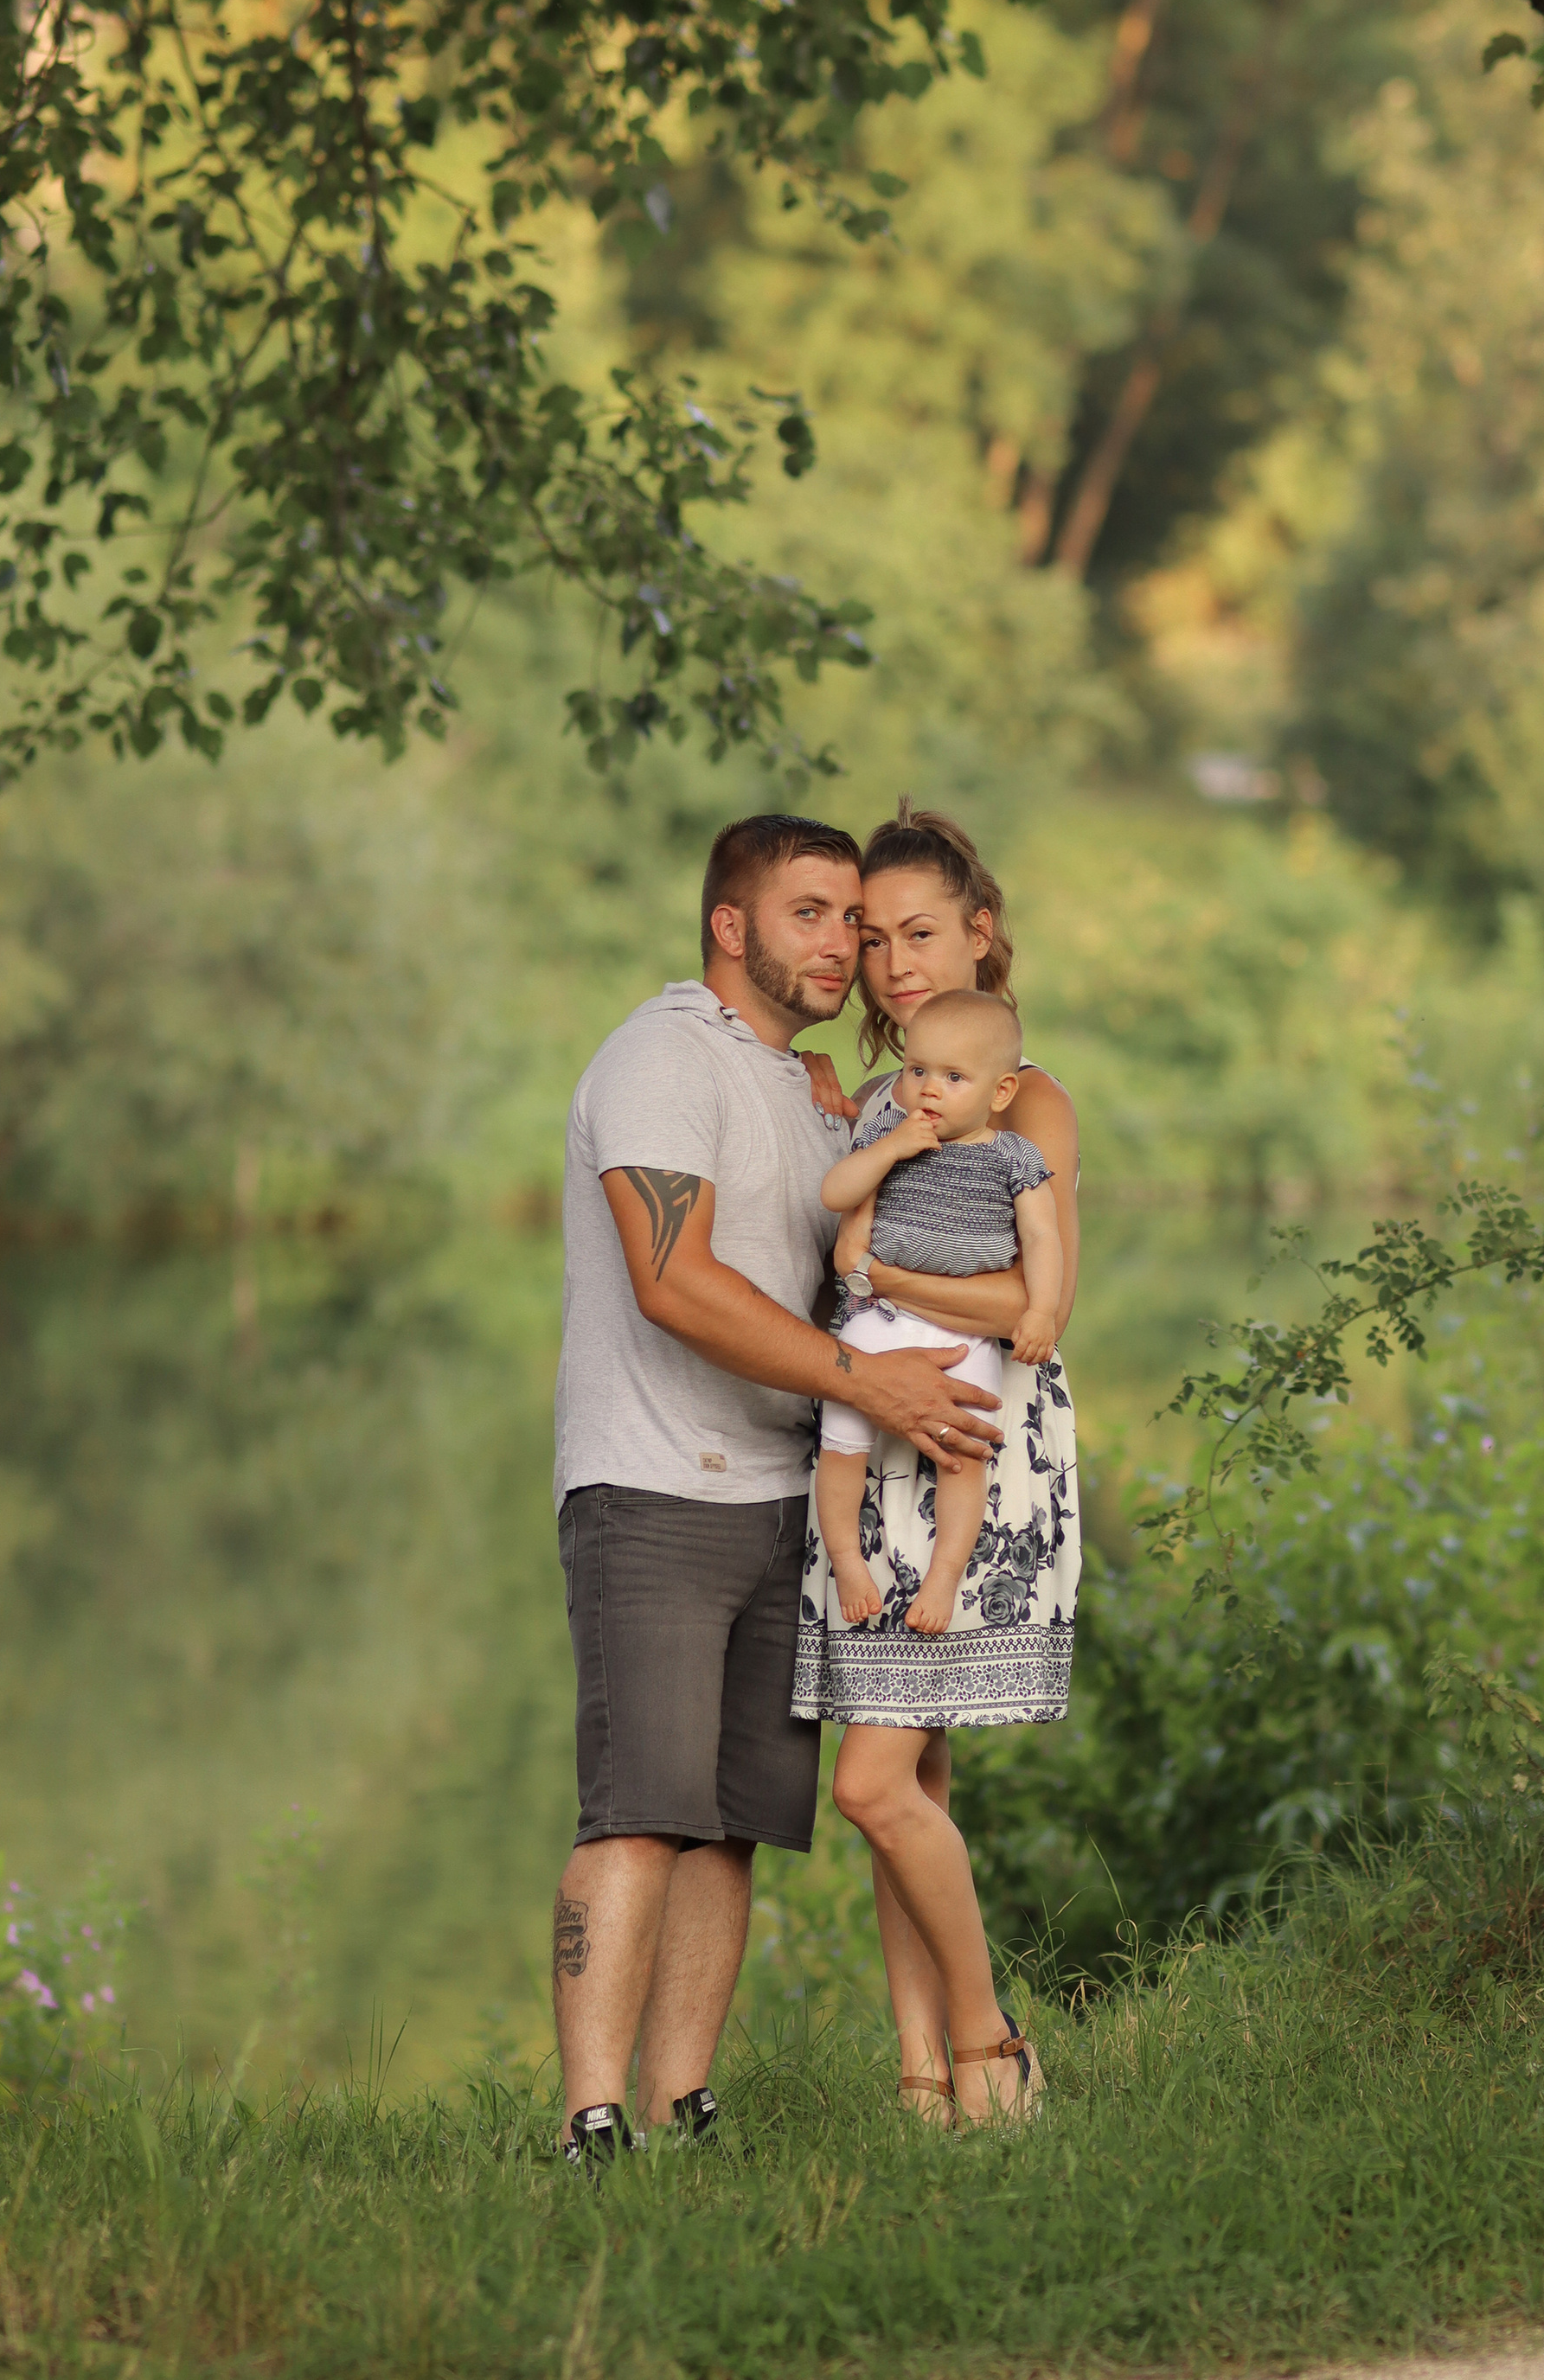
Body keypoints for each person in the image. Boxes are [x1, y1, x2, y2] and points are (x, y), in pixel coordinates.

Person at [548, 813, 1003, 2168]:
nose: (842, 944)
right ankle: (590, 2120)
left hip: (788, 1495)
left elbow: (864, 1250)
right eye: (811, 912)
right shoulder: (657, 1058)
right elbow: (675, 1281)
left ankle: (686, 2109)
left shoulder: (803, 1087)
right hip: (653, 1485)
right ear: (728, 924)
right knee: (641, 1808)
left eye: (854, 920)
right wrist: (872, 1389)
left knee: (733, 1826)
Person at [792, 803, 1082, 2128]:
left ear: (980, 931)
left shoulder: (1030, 1102)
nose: (895, 961)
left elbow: (1032, 1297)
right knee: (910, 1781)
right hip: (871, 1445)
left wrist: (880, 1274)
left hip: (972, 1439)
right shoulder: (866, 1104)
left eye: (921, 931)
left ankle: (986, 2036)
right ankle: (921, 2079)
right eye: (871, 936)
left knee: (869, 1783)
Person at [814, 988, 1062, 1636]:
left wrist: (1040, 1312)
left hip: (965, 1333)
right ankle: (847, 1561)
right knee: (840, 1443)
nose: (928, 1089)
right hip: (882, 1317)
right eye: (917, 1070)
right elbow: (834, 1192)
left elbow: (1042, 1239)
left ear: (1000, 1092)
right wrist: (891, 1148)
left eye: (954, 1078)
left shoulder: (1014, 1157)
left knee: (963, 1459)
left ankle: (944, 1577)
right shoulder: (886, 1133)